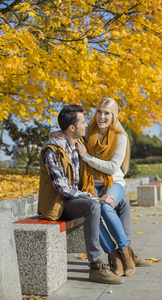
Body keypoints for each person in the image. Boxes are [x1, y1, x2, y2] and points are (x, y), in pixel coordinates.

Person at [52, 98, 152, 277]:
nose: (102, 116)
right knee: (92, 211)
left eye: (107, 113)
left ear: (114, 116)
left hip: (114, 183)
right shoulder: (87, 131)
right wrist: (54, 134)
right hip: (90, 185)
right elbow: (70, 131)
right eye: (99, 111)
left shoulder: (121, 137)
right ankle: (113, 255)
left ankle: (125, 251)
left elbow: (113, 167)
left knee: (106, 206)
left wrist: (87, 157)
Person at [38, 105, 124, 284]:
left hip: (72, 201)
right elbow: (62, 187)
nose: (86, 125)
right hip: (57, 203)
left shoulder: (77, 146)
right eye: (83, 122)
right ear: (72, 128)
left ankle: (124, 252)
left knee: (118, 202)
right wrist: (95, 197)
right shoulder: (51, 150)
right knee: (93, 205)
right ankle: (96, 266)